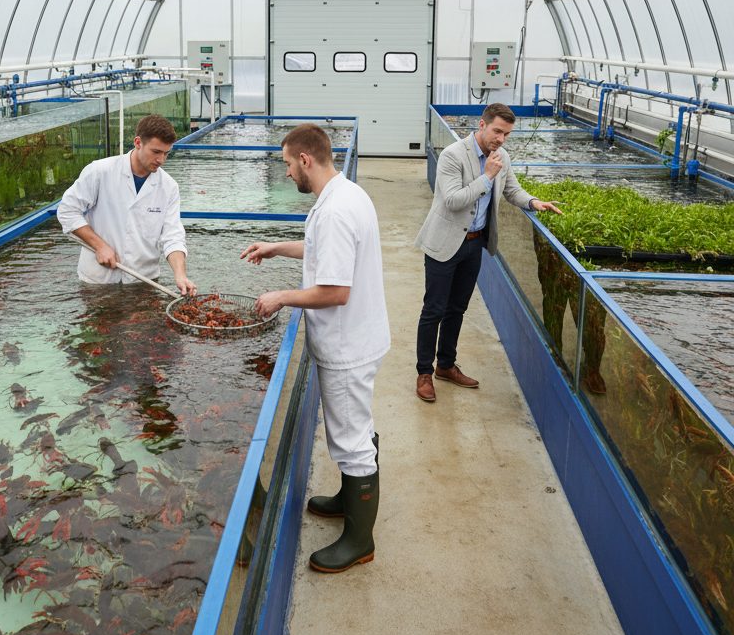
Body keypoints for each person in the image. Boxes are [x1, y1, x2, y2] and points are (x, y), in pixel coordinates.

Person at [241, 124, 388, 574]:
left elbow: (336, 290)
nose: (286, 172)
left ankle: (359, 542)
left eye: (287, 163)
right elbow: (321, 250)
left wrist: (281, 297)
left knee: (351, 440)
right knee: (357, 426)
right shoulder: (346, 193)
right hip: (361, 335)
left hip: (347, 345)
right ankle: (348, 499)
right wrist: (276, 248)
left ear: (305, 159)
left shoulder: (335, 211)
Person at [414, 102, 562, 402]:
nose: (501, 139)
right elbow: (453, 200)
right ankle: (424, 373)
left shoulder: (501, 157)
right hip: (444, 243)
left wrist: (534, 202)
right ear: (481, 125)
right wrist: (487, 176)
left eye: (506, 134)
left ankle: (445, 365)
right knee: (434, 309)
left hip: (474, 243)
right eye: (497, 131)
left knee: (457, 308)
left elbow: (512, 190)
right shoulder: (453, 155)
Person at [57, 114, 196, 295]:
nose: (161, 160)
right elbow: (67, 211)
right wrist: (99, 245)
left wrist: (180, 274)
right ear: (138, 143)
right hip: (99, 280)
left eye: (166, 153)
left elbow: (172, 235)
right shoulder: (100, 172)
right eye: (156, 152)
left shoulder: (169, 187)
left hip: (143, 280)